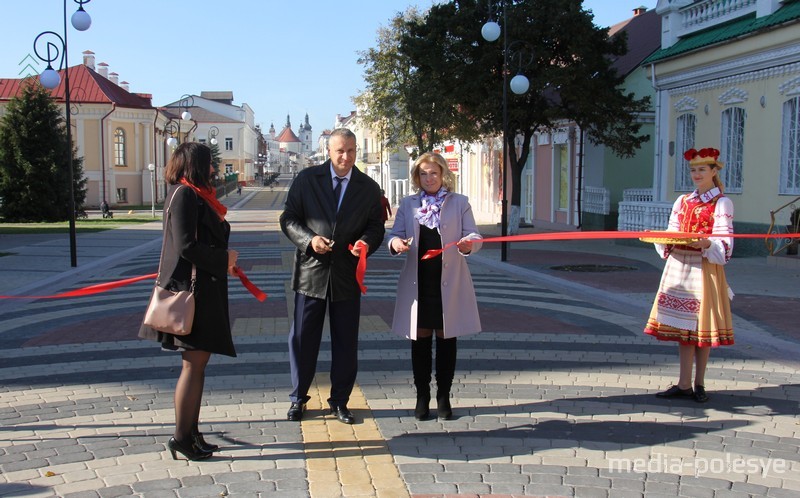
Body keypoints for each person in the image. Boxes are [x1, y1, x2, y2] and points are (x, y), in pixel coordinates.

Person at [139, 142, 239, 460]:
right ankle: (182, 437)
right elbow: (185, 246)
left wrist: (222, 260)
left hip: (203, 291)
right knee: (192, 365)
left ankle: (192, 433)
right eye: (209, 164)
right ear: (194, 165)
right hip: (191, 295)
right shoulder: (184, 195)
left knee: (198, 365)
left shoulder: (195, 195)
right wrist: (223, 258)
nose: (212, 169)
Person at [279, 128, 385, 424]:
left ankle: (340, 400)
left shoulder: (367, 187)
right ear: (328, 150)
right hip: (310, 274)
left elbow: (376, 227)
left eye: (351, 151)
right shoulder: (307, 180)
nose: (346, 156)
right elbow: (288, 218)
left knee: (345, 342)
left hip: (346, 276)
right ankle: (298, 398)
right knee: (302, 339)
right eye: (340, 150)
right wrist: (309, 240)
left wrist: (366, 243)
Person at [387, 152, 482, 420]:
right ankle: (421, 396)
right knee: (420, 341)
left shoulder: (459, 202)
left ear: (443, 175)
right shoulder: (408, 204)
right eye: (423, 174)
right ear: (417, 177)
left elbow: (473, 234)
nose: (429, 178)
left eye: (434, 173)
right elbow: (394, 234)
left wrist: (469, 244)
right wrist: (395, 244)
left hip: (449, 282)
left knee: (446, 339)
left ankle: (443, 396)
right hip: (419, 282)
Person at [645, 147, 734, 403]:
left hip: (704, 267)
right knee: (683, 329)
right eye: (693, 170)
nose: (696, 174)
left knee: (701, 328)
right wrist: (659, 237)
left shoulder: (722, 203)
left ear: (714, 171)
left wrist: (707, 244)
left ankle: (699, 383)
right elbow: (673, 229)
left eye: (702, 170)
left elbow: (724, 239)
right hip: (679, 265)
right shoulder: (682, 201)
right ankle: (684, 383)